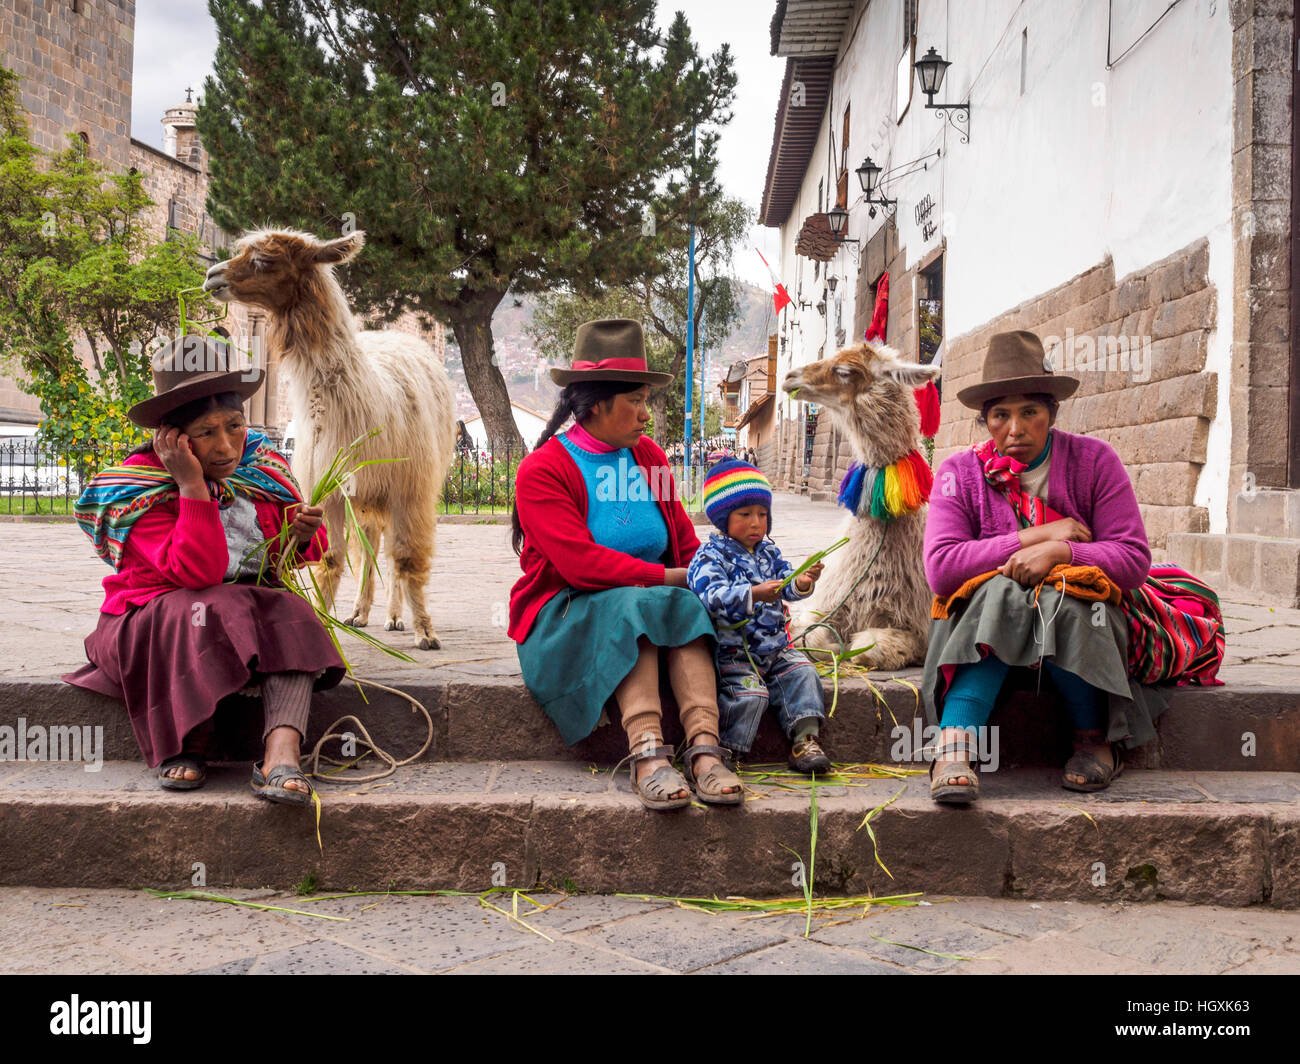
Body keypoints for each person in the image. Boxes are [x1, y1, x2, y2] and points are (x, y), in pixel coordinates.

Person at [922, 330, 1224, 803]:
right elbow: (941, 568)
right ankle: (955, 746)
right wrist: (1034, 536)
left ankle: (1092, 739)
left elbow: (1132, 559)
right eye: (1000, 415)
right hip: (982, 633)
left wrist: (1062, 554)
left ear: (1053, 414)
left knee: (1062, 593)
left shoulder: (1094, 462)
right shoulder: (959, 475)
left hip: (1079, 630)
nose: (1015, 429)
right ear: (985, 420)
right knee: (1004, 592)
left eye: (1030, 413)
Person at [64, 335, 345, 803]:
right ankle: (188, 740)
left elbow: (280, 560)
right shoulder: (139, 489)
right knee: (206, 604)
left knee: (290, 610)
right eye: (206, 432)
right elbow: (199, 573)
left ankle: (282, 752)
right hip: (153, 622)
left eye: (233, 426)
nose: (225, 446)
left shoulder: (261, 470)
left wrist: (297, 534)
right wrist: (192, 485)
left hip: (245, 615)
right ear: (172, 439)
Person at [508, 318, 744, 811]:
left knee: (679, 600)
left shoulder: (650, 459)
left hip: (650, 601)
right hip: (567, 612)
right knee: (641, 601)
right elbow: (581, 565)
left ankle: (704, 747)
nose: (644, 415)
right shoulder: (544, 471)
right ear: (596, 403)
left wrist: (723, 576)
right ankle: (647, 754)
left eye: (645, 401)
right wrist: (667, 578)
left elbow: (682, 542)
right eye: (635, 401)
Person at [686, 459, 830, 773]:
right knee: (751, 695)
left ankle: (804, 740)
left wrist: (802, 581)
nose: (756, 523)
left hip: (776, 650)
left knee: (804, 672)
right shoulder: (710, 556)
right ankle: (727, 752)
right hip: (735, 654)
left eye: (762, 514)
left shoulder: (769, 553)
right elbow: (710, 598)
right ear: (722, 518)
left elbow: (786, 584)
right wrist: (753, 594)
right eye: (745, 515)